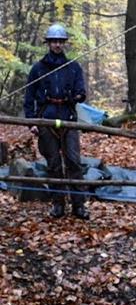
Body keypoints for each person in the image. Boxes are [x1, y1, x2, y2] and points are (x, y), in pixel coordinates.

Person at [24, 23, 89, 220]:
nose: (57, 45)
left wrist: (76, 96)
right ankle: (58, 204)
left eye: (61, 41)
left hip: (68, 119)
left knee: (74, 162)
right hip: (46, 119)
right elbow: (29, 97)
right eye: (54, 41)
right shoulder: (38, 68)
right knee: (53, 164)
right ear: (49, 43)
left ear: (64, 44)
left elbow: (82, 93)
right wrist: (31, 122)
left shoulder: (73, 67)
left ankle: (78, 205)